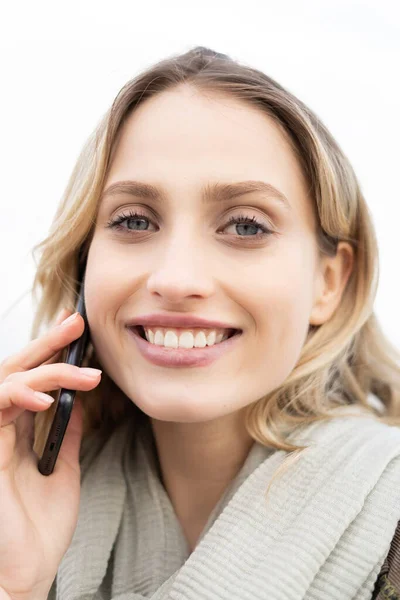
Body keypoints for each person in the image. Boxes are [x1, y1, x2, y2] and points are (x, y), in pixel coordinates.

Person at [0, 46, 400, 600]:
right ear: (84, 263)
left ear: (329, 281)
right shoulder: (25, 511)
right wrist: (17, 585)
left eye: (245, 226)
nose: (176, 277)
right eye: (134, 220)